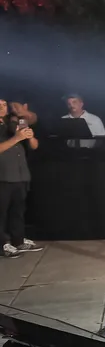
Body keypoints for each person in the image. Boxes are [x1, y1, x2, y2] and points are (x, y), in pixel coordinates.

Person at [0, 98, 42, 257]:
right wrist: (16, 138)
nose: (2, 108)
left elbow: (34, 145)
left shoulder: (13, 122)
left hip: (20, 175)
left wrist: (29, 136)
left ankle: (18, 240)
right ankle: (2, 244)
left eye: (4, 105)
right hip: (3, 175)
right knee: (1, 212)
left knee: (17, 211)